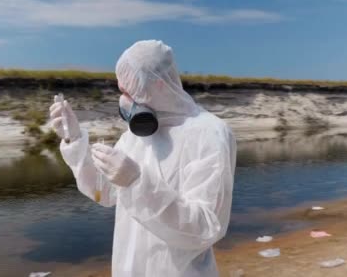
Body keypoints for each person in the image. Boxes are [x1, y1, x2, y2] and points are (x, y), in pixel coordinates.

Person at [49, 40, 237, 276]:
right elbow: (104, 192)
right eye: (122, 91)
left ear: (158, 85)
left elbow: (204, 227)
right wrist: (74, 140)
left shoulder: (209, 133)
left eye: (130, 90)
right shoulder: (136, 136)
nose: (125, 100)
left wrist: (138, 183)